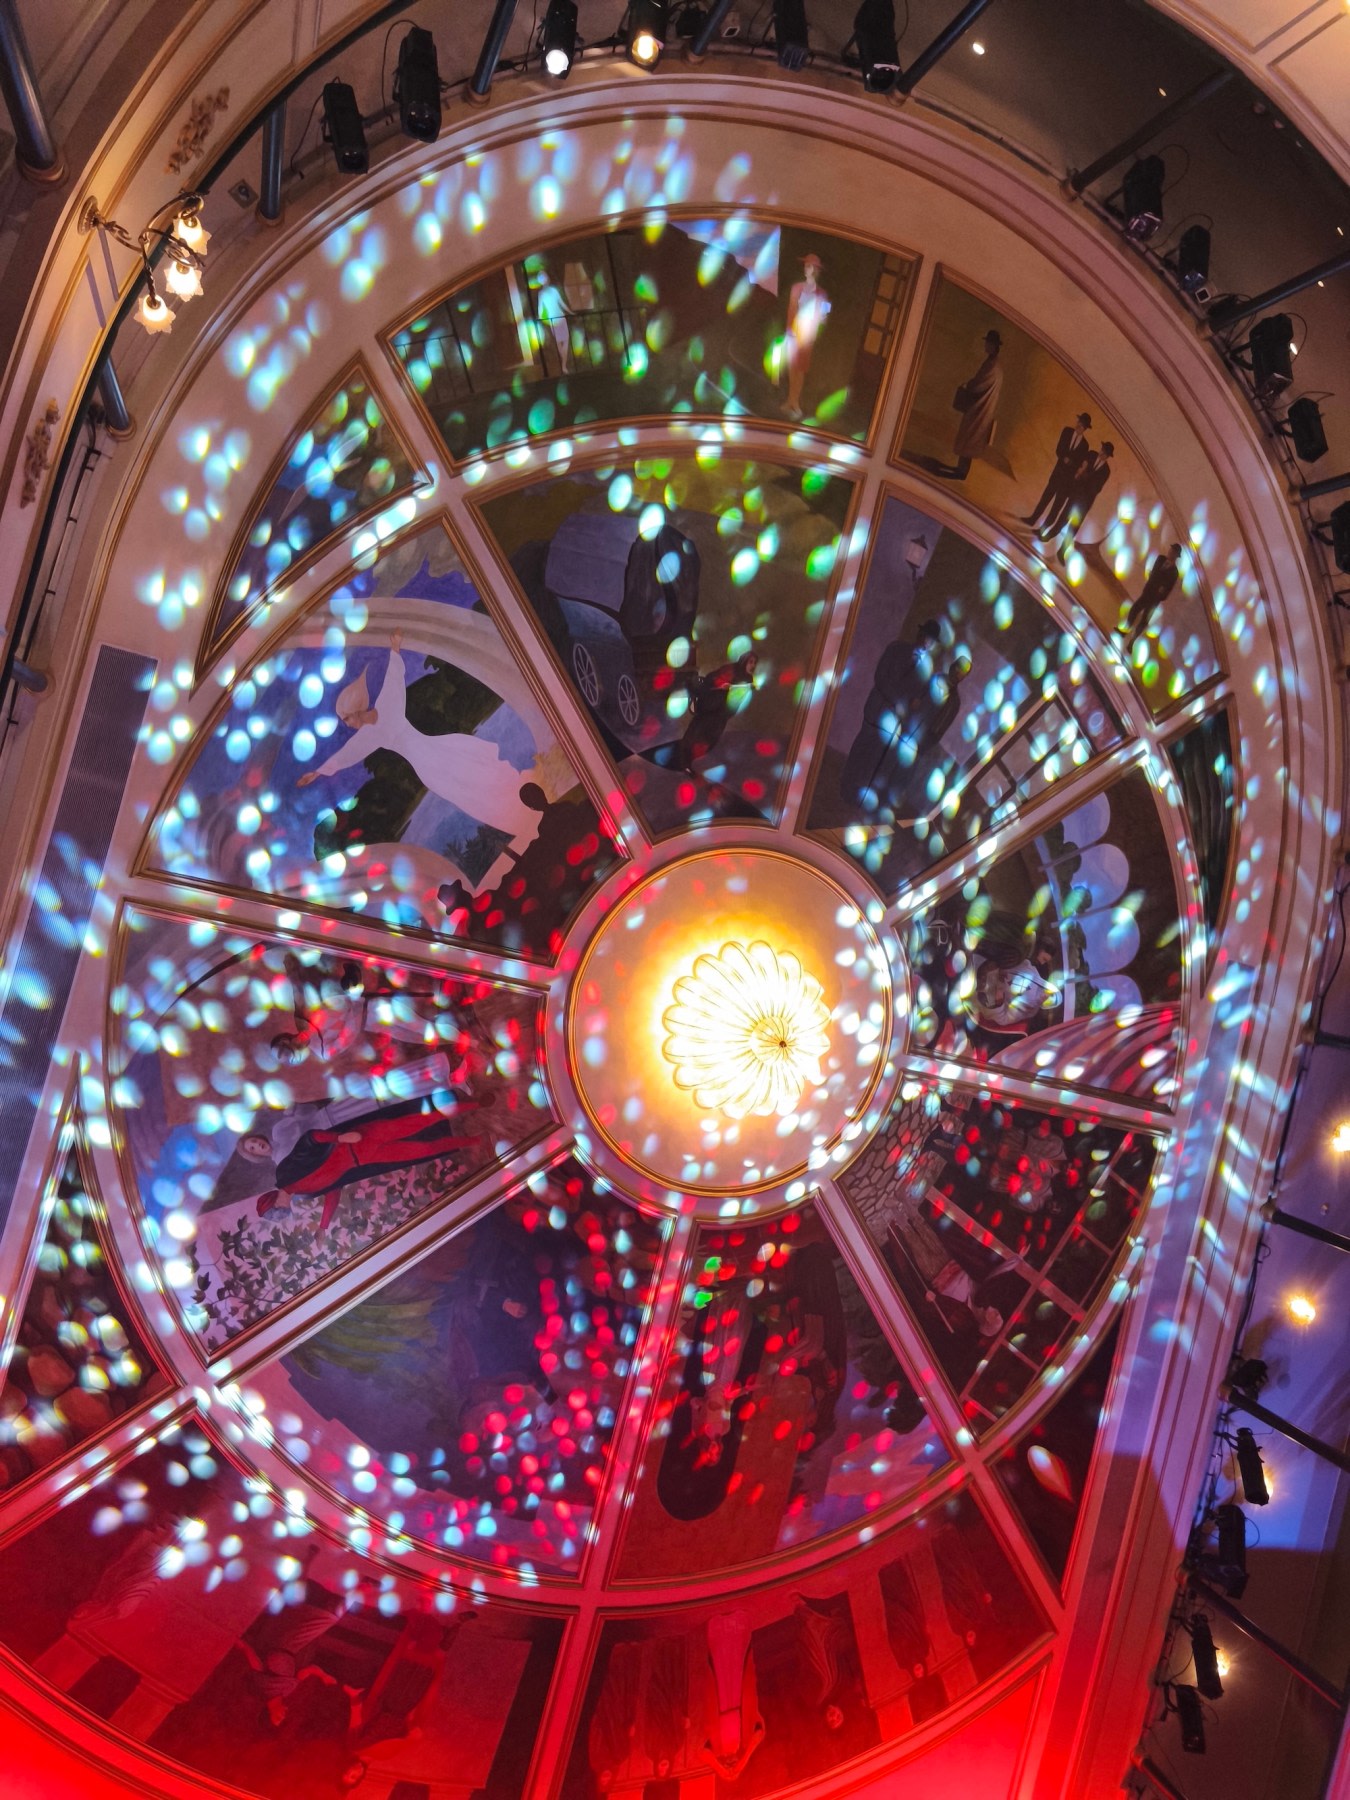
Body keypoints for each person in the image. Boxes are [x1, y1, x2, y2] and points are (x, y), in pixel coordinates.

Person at [297, 632, 543, 854]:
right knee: (468, 794)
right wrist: (318, 772)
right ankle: (516, 822)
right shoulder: (368, 736)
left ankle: (523, 804)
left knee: (479, 775)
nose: (347, 724)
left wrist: (395, 648)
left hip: (436, 751)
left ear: (357, 709)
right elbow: (347, 754)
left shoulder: (387, 705)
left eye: (347, 718)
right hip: (427, 767)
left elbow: (394, 678)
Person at [255, 1096, 484, 1232]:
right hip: (365, 1158)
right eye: (283, 1212)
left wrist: (340, 1138)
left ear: (274, 1202)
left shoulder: (285, 1173)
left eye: (280, 1209)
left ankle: (474, 1104)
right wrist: (324, 1227)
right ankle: (474, 1140)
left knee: (420, 1122)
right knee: (425, 1149)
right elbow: (333, 1189)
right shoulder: (302, 1195)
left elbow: (310, 1139)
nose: (285, 1209)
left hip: (360, 1138)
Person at [943, 329, 1003, 480]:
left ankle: (962, 472)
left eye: (987, 343)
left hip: (980, 409)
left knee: (970, 438)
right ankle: (960, 469)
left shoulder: (993, 365)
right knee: (969, 438)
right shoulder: (992, 363)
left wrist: (969, 385)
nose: (985, 346)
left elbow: (980, 383)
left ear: (993, 345)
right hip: (979, 407)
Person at [1041, 441, 1114, 560]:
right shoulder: (1091, 455)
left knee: (1073, 527)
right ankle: (1050, 535)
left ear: (1108, 457)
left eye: (1105, 454)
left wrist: (1084, 475)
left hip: (1085, 502)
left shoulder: (1106, 471)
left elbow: (1096, 487)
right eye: (1103, 451)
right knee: (1063, 517)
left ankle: (1062, 551)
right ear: (1101, 449)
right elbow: (1079, 468)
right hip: (1075, 494)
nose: (1102, 454)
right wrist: (1083, 475)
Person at [782, 253, 832, 420]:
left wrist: (820, 320)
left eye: (809, 266)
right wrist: (789, 331)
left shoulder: (822, 294)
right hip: (794, 331)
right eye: (805, 266)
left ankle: (795, 402)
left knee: (801, 367)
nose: (806, 269)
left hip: (807, 334)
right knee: (791, 366)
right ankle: (790, 399)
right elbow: (791, 309)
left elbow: (823, 318)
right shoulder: (796, 287)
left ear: (816, 270)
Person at [1022, 412, 1092, 528]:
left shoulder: (1085, 445)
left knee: (1056, 507)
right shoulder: (1067, 432)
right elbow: (1059, 449)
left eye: (1081, 425)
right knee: (1045, 498)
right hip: (1057, 474)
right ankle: (1032, 519)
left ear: (1084, 429)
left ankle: (1042, 530)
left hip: (1067, 481)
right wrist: (1064, 458)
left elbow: (1079, 462)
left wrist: (1070, 463)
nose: (1078, 426)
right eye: (1078, 423)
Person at [1123, 542, 1184, 643]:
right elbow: (1154, 573)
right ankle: (1125, 629)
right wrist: (1151, 579)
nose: (1170, 552)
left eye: (1173, 551)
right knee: (1135, 608)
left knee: (1144, 620)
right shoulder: (1160, 559)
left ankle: (1132, 641)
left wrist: (1160, 595)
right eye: (1171, 550)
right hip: (1148, 591)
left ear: (1176, 555)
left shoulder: (1174, 573)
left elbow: (1168, 589)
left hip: (1154, 599)